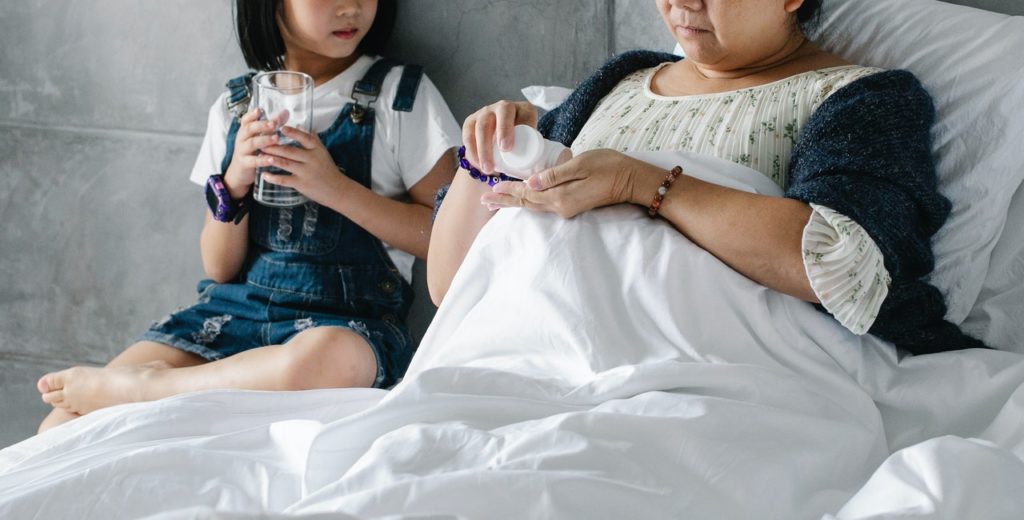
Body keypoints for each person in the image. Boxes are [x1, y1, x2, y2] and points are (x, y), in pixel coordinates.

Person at [429, 0, 984, 356]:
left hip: (719, 367)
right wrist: (480, 158)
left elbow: (839, 266)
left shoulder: (860, 98)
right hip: (542, 351)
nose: (682, 4)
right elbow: (453, 289)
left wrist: (638, 183)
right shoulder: (619, 81)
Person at [36, 0, 462, 433]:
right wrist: (235, 182)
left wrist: (335, 189)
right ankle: (160, 386)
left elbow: (450, 242)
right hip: (235, 316)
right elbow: (218, 267)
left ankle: (149, 390)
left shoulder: (399, 96)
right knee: (58, 427)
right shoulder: (235, 107)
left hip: (344, 323)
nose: (350, 7)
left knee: (325, 359)